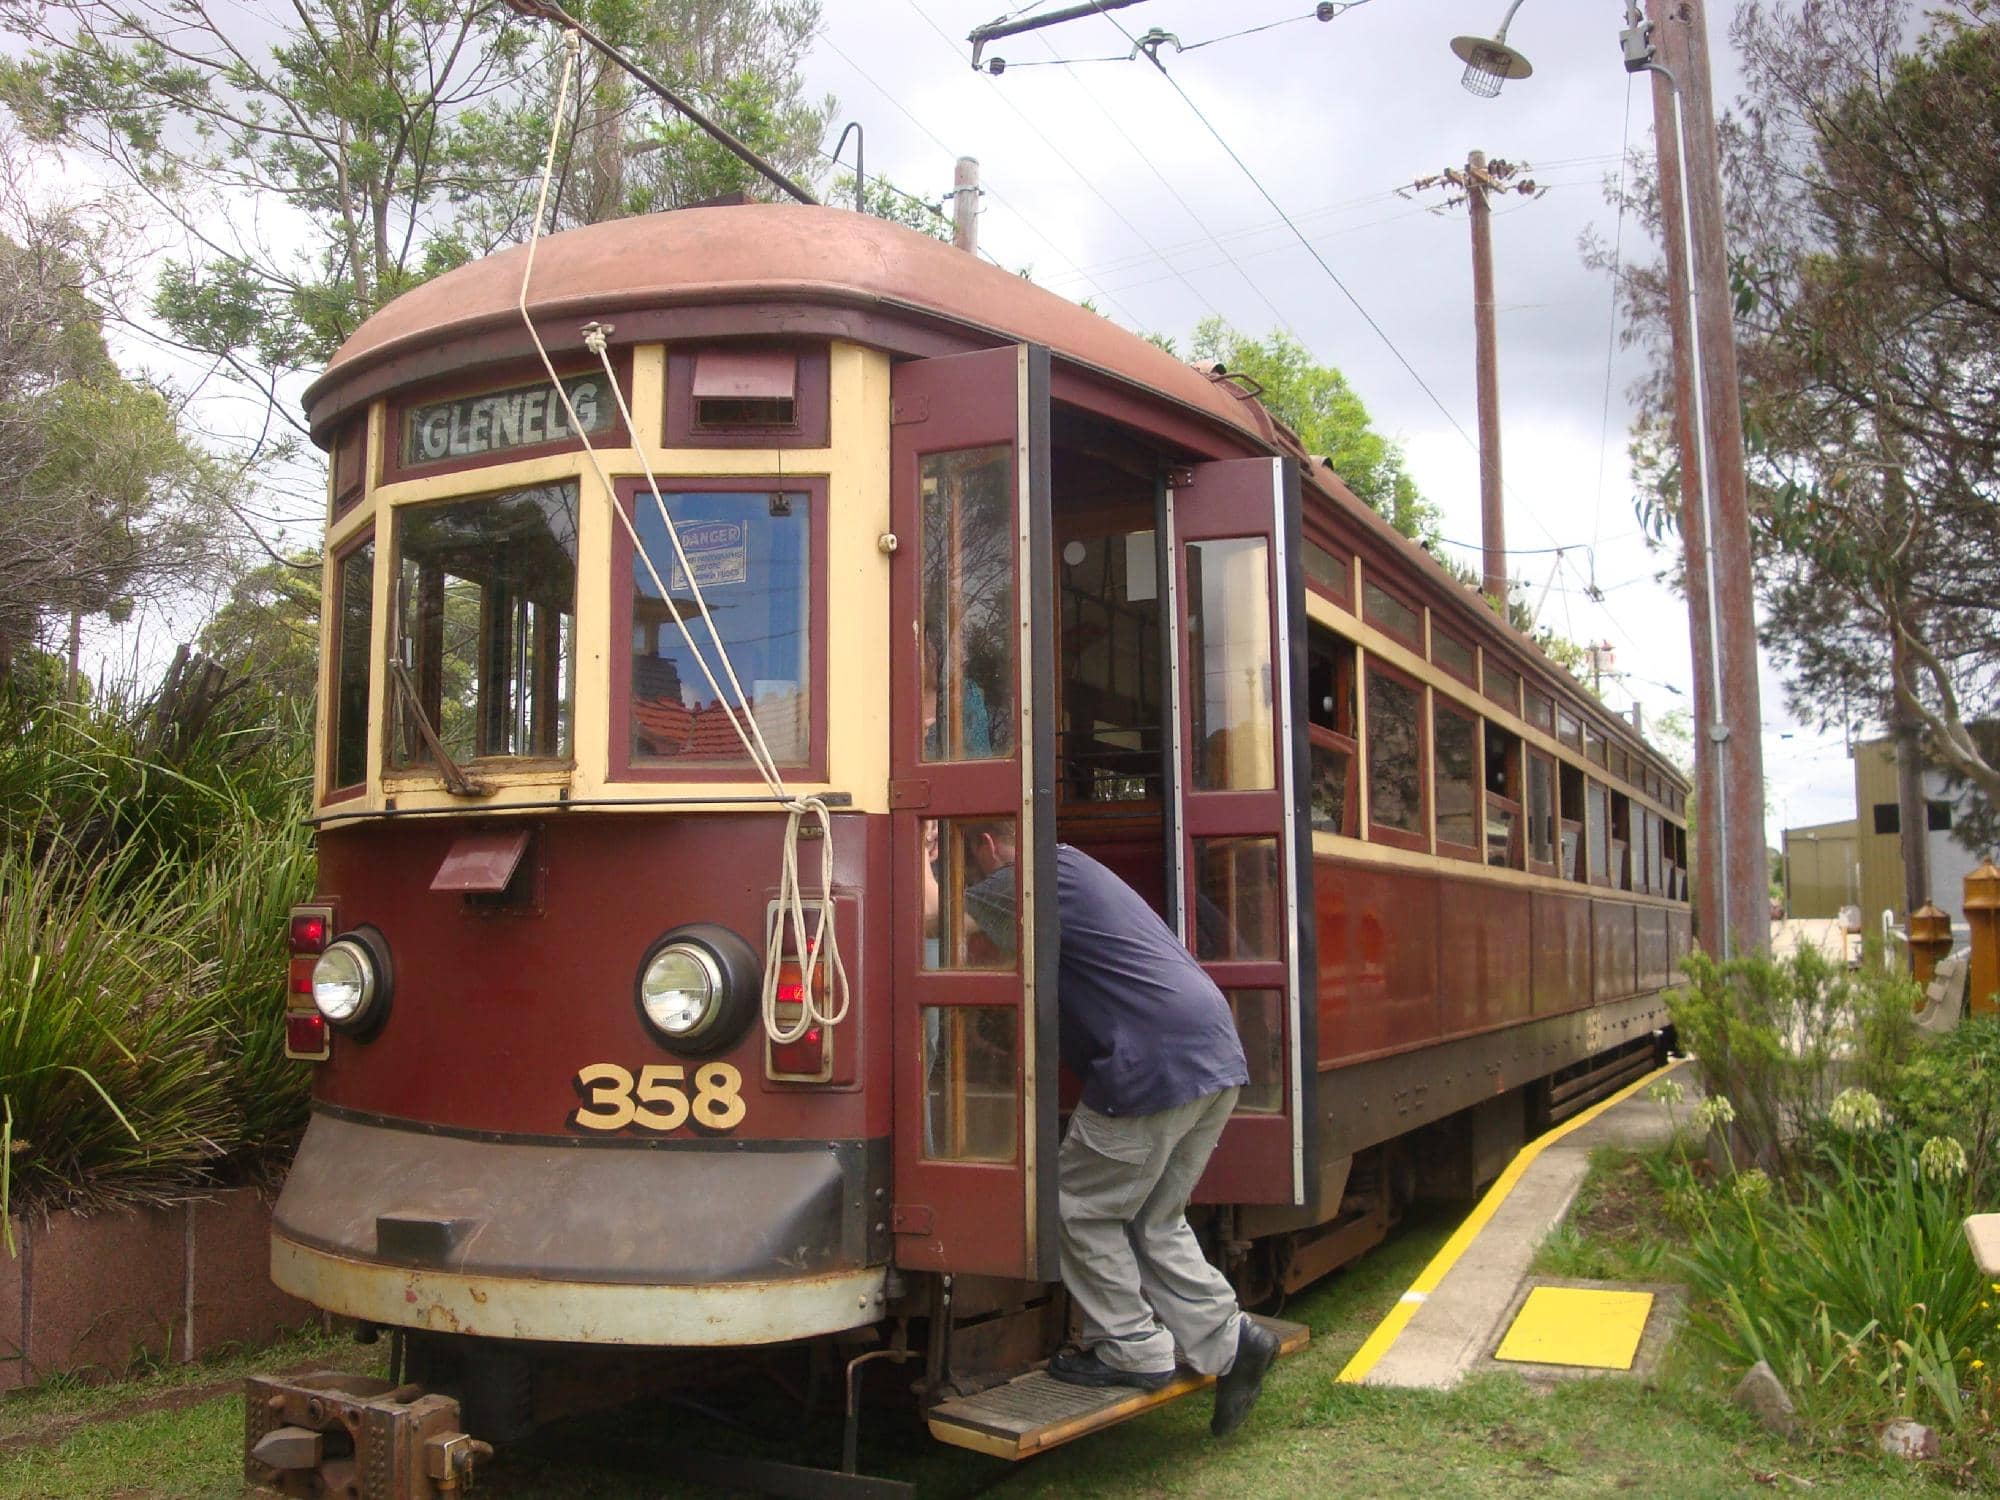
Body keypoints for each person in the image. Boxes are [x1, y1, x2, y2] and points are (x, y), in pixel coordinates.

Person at [958, 825, 1280, 1438]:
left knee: (1075, 1205)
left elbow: (934, 919)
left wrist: (923, 857)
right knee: (1155, 1214)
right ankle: (1233, 1339)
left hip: (1151, 1067)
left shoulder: (1023, 881)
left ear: (986, 843)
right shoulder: (1074, 865)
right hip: (1213, 1052)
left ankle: (1131, 1348)